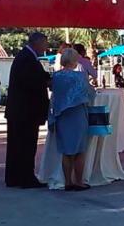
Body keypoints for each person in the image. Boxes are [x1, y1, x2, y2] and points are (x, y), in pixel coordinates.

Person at [5, 32, 51, 188]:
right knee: (25, 146)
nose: (46, 47)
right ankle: (25, 178)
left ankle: (14, 177)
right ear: (37, 43)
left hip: (20, 111)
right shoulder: (27, 58)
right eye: (45, 44)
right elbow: (31, 82)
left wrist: (46, 77)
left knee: (17, 146)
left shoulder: (26, 57)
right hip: (25, 111)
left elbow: (35, 76)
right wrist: (47, 82)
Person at [48, 48, 94, 191]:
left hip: (62, 116)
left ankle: (68, 181)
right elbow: (90, 95)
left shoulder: (56, 76)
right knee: (80, 150)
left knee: (66, 151)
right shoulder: (80, 76)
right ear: (75, 60)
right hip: (77, 115)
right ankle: (78, 181)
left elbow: (54, 96)